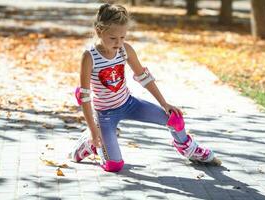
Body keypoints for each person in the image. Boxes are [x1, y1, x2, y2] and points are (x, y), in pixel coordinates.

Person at [69, 3, 221, 172]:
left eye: (123, 37)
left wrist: (165, 104)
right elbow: (83, 96)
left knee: (174, 118)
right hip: (104, 114)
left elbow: (144, 77)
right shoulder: (89, 56)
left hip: (128, 104)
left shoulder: (124, 50)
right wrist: (92, 130)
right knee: (114, 166)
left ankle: (189, 149)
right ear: (99, 31)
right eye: (113, 38)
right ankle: (89, 144)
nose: (118, 43)